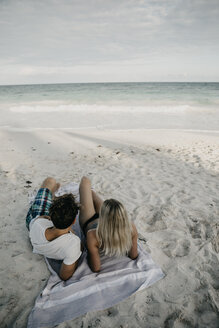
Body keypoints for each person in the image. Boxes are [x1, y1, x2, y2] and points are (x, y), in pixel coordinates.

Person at [26, 177, 82, 281]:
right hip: (39, 221)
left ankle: (52, 193)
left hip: (33, 221)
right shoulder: (73, 245)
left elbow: (37, 219)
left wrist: (44, 217)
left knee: (49, 181)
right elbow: (64, 276)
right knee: (51, 182)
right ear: (74, 221)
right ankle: (52, 193)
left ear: (50, 215)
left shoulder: (39, 224)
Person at [79, 176, 138, 272]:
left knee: (85, 181)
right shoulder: (131, 228)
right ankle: (91, 192)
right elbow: (133, 255)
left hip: (89, 221)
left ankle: (89, 191)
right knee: (90, 193)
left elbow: (96, 268)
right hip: (109, 218)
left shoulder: (93, 235)